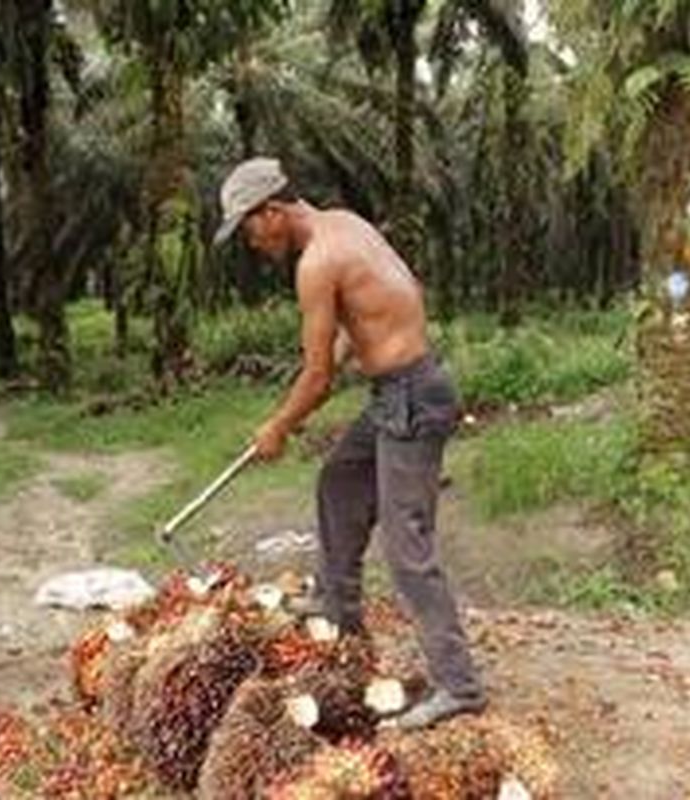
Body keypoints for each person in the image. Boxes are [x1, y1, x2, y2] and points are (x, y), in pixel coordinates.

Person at [214, 157, 486, 730]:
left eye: (249, 228)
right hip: (400, 390)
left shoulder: (316, 262)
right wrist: (355, 345)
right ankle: (338, 609)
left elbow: (316, 378)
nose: (252, 242)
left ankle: (458, 686)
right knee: (340, 480)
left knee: (407, 549)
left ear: (272, 211)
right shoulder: (344, 223)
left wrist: (278, 426)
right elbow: (392, 295)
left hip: (412, 397)